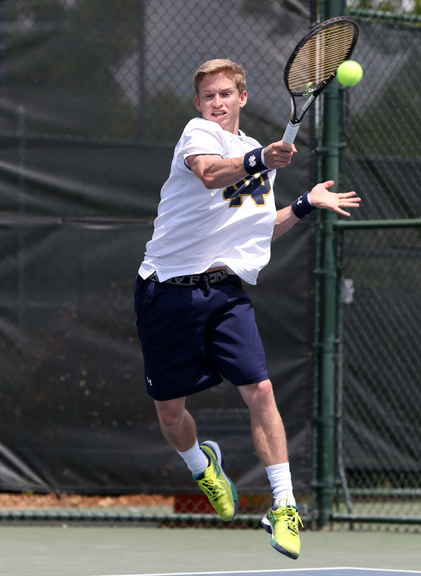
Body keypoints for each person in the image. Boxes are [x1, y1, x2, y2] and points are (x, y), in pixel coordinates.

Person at [133, 59, 360, 560]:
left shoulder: (256, 153)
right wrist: (261, 159)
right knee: (171, 414)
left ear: (243, 98)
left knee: (261, 389)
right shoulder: (198, 134)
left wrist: (304, 203)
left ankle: (284, 505)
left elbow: (255, 231)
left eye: (225, 94)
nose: (216, 102)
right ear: (198, 103)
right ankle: (202, 466)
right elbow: (210, 175)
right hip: (166, 292)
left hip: (224, 292)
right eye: (208, 95)